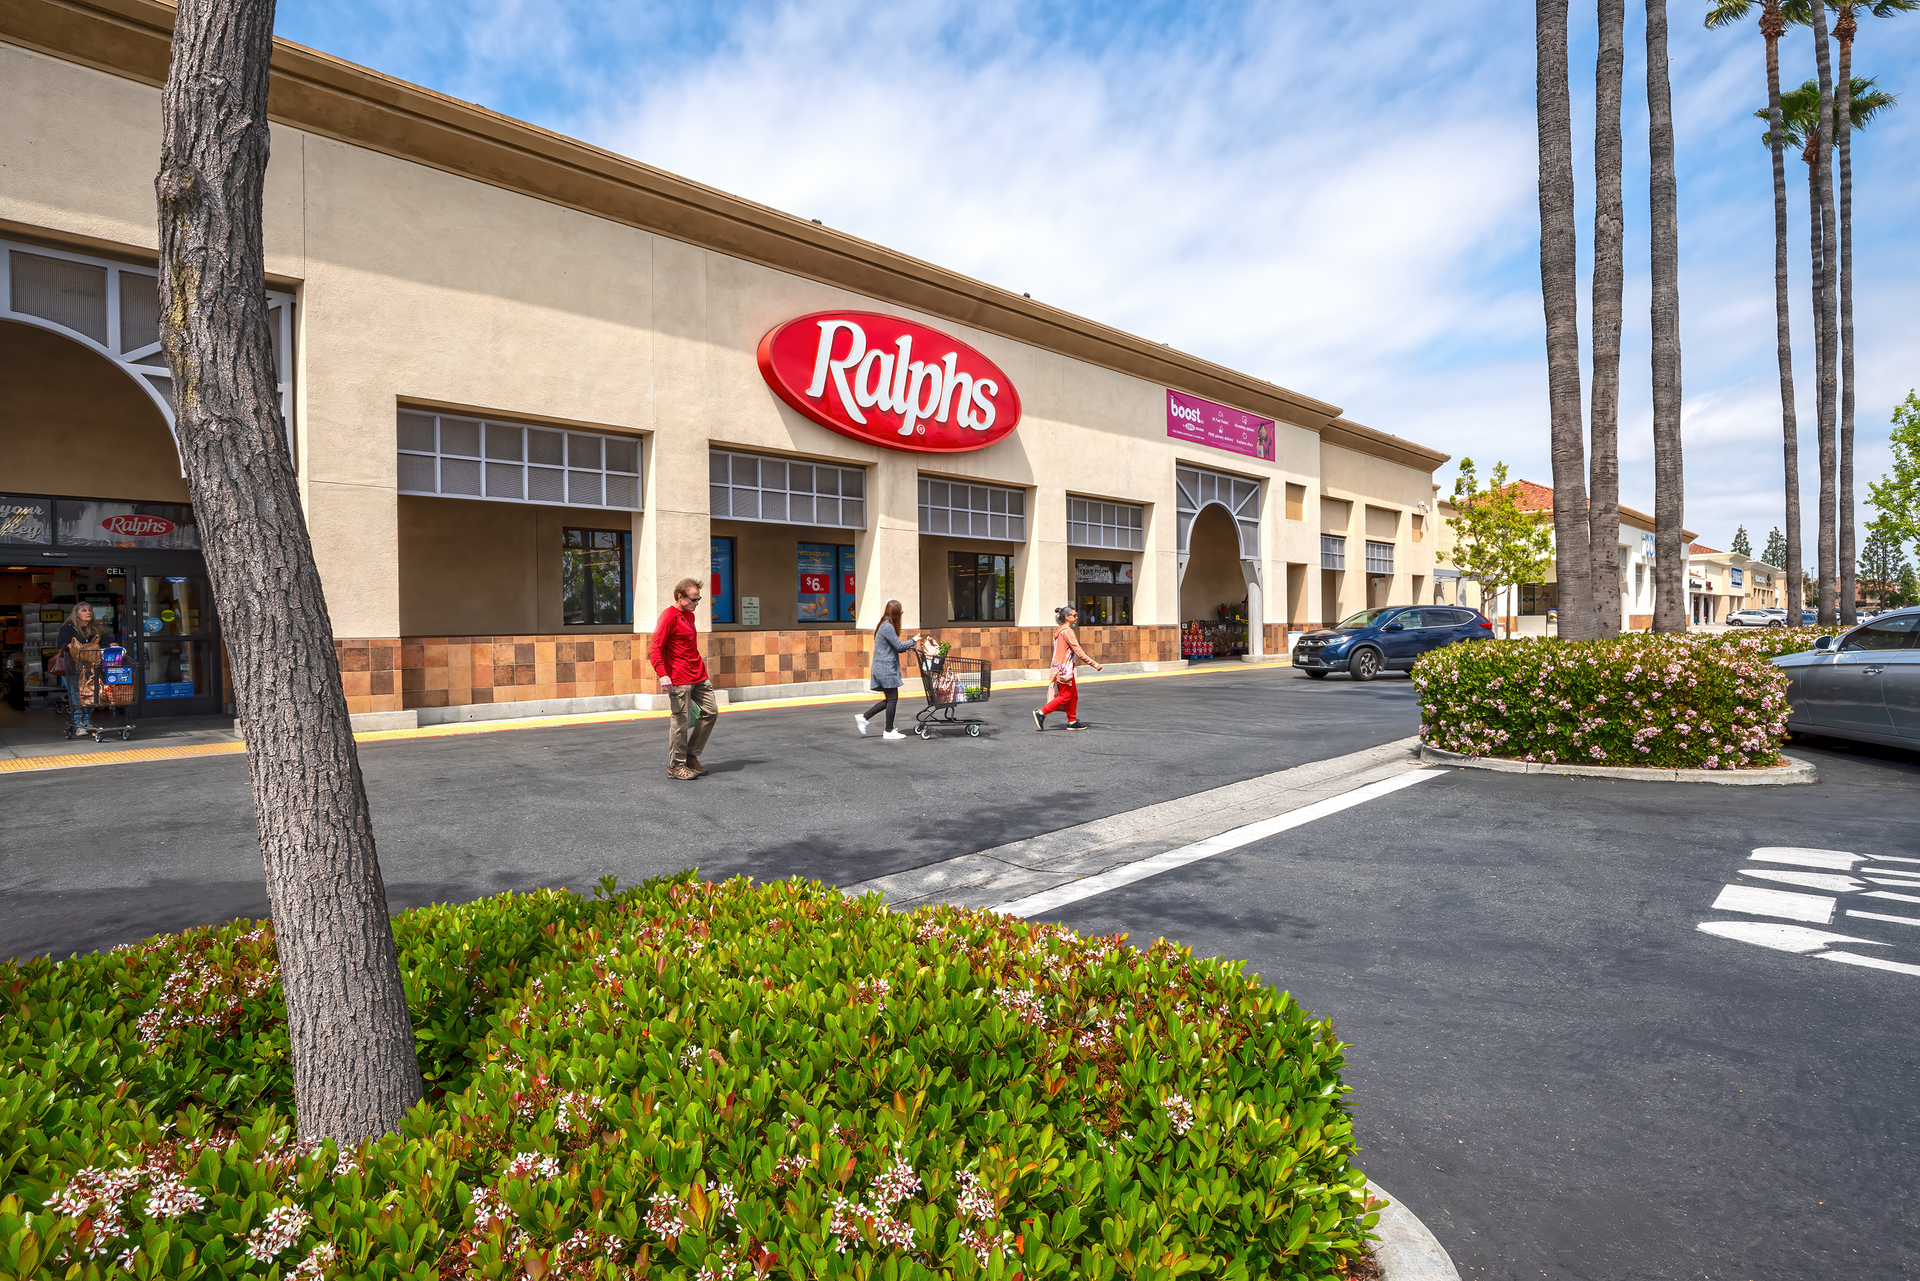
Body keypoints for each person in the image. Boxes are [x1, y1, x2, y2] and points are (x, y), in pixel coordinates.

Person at [648, 577, 717, 781]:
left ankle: (690, 755)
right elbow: (654, 648)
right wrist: (663, 674)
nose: (697, 603)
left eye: (699, 599)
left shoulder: (689, 616)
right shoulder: (669, 616)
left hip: (698, 675)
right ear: (680, 596)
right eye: (694, 599)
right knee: (681, 721)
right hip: (679, 677)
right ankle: (676, 766)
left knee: (711, 712)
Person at [857, 600, 923, 740]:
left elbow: (893, 647)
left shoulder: (884, 625)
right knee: (892, 699)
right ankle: (888, 730)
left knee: (890, 699)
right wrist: (914, 640)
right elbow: (898, 645)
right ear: (896, 614)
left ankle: (864, 717)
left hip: (883, 667)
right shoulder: (887, 627)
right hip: (885, 668)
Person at [1034, 604, 1101, 730]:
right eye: (1074, 615)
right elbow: (1078, 650)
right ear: (1067, 617)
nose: (1076, 617)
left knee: (1073, 695)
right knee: (1066, 695)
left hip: (1061, 667)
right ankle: (1041, 712)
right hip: (1065, 669)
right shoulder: (1067, 631)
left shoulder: (1059, 630)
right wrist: (1094, 663)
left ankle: (1072, 721)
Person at [55, 601, 116, 734]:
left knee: (94, 695)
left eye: (89, 610)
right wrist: (68, 646)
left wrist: (112, 644)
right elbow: (62, 643)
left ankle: (85, 721)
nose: (88, 613)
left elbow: (105, 640)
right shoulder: (68, 628)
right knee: (77, 696)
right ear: (76, 614)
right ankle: (79, 725)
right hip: (73, 667)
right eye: (83, 610)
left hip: (93, 667)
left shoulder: (96, 629)